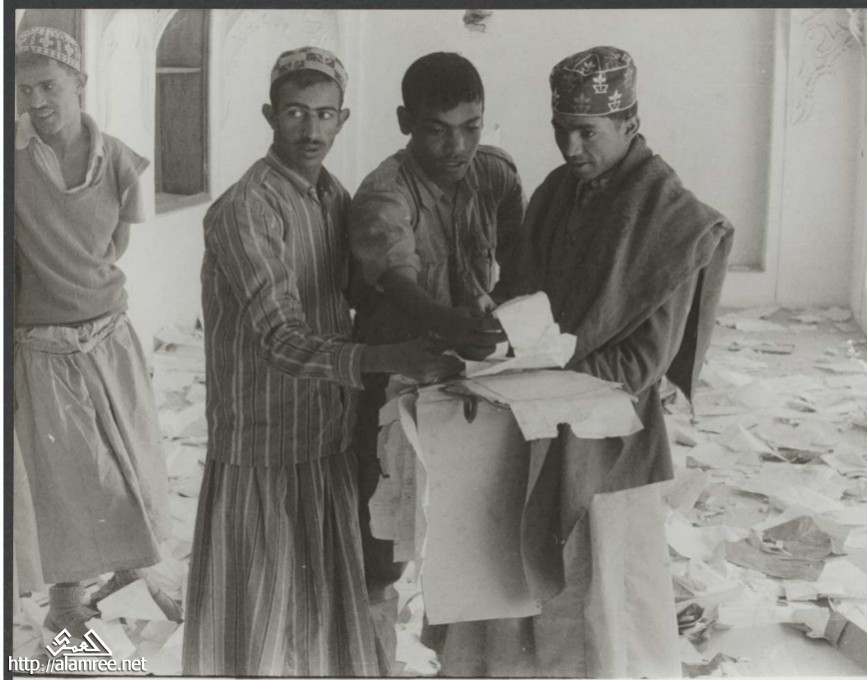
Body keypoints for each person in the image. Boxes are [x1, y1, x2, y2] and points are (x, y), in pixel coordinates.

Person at [434, 46, 735, 677]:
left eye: (587, 132)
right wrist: (498, 331)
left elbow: (641, 363)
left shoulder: (672, 218)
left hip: (607, 439)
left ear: (629, 122)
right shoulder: (556, 191)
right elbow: (521, 292)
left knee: (600, 602)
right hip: (531, 419)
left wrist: (531, 370)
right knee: (518, 589)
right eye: (560, 129)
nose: (570, 147)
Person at [181, 46, 462, 676]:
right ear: (270, 115)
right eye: (295, 113)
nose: (311, 130)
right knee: (256, 633)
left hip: (325, 438)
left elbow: (359, 293)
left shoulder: (333, 196)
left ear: (343, 118)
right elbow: (280, 338)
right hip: (263, 445)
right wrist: (391, 355)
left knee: (318, 630)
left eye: (325, 114)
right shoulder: (246, 209)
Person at [348, 51, 523, 665]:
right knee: (384, 544)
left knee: (471, 537)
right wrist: (454, 324)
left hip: (471, 379)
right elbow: (401, 284)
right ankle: (371, 662)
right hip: (395, 381)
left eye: (471, 127)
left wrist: (506, 312)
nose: (457, 147)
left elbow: (520, 260)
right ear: (405, 122)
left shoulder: (495, 173)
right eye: (437, 130)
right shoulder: (384, 194)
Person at [13, 26, 179, 637]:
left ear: (79, 83)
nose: (36, 102)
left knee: (129, 460)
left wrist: (84, 293)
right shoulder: (10, 160)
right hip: (43, 347)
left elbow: (114, 246)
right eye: (24, 90)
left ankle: (130, 569)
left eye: (48, 86)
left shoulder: (122, 161)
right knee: (69, 479)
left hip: (109, 338)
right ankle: (65, 602)